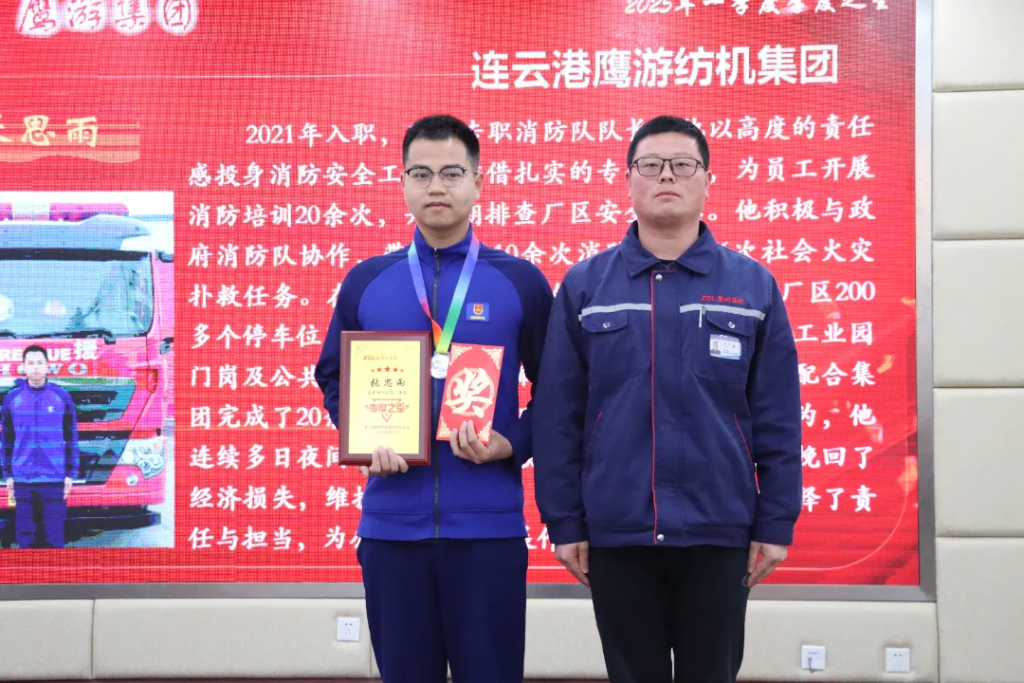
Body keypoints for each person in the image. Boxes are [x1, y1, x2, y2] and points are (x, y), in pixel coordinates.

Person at [532, 115, 802, 683]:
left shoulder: (752, 285)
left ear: (708, 180)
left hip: (719, 530)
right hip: (617, 531)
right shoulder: (585, 286)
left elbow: (778, 416)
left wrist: (776, 521)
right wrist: (565, 522)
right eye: (651, 165)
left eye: (683, 164)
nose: (666, 176)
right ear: (628, 180)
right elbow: (558, 418)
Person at [314, 114, 553, 683]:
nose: (436, 187)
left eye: (451, 173)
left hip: (489, 530)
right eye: (420, 174)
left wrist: (511, 444)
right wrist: (364, 439)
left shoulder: (520, 281)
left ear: (477, 182)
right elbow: (334, 377)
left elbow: (559, 393)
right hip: (392, 528)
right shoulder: (367, 280)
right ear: (402, 183)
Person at [1, 344, 79, 549]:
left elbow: (71, 438)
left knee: (54, 536)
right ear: (23, 367)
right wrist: (8, 474)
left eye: (39, 363)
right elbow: (6, 440)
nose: (35, 367)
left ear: (47, 366)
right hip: (22, 480)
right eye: (31, 363)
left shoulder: (61, 397)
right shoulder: (12, 398)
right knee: (25, 537)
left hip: (53, 479)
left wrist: (70, 473)